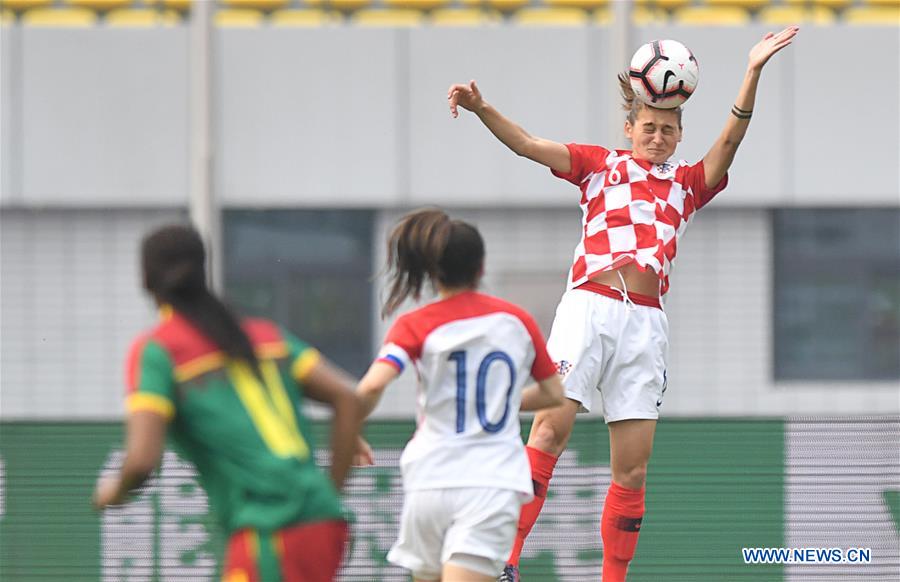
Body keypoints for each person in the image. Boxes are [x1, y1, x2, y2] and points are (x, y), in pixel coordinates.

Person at [447, 27, 800, 582]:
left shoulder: (686, 185)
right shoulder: (598, 165)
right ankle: (503, 563)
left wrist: (751, 72)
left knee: (631, 472)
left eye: (668, 129)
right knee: (547, 433)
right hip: (588, 308)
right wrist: (482, 107)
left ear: (680, 134)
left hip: (646, 326)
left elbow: (730, 141)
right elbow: (527, 144)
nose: (657, 137)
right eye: (649, 127)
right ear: (630, 127)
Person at [93, 225, 362, 582]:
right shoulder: (264, 335)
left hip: (272, 528)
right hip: (321, 523)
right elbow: (347, 396)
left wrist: (115, 491)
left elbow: (142, 460)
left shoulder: (159, 351)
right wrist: (329, 490)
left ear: (145, 280)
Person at [353, 208, 565, 582]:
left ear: (434, 272)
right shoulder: (516, 321)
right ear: (481, 267)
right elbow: (553, 394)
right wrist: (497, 401)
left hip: (429, 481)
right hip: (490, 484)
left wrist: (350, 430)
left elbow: (371, 385)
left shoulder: (415, 324)